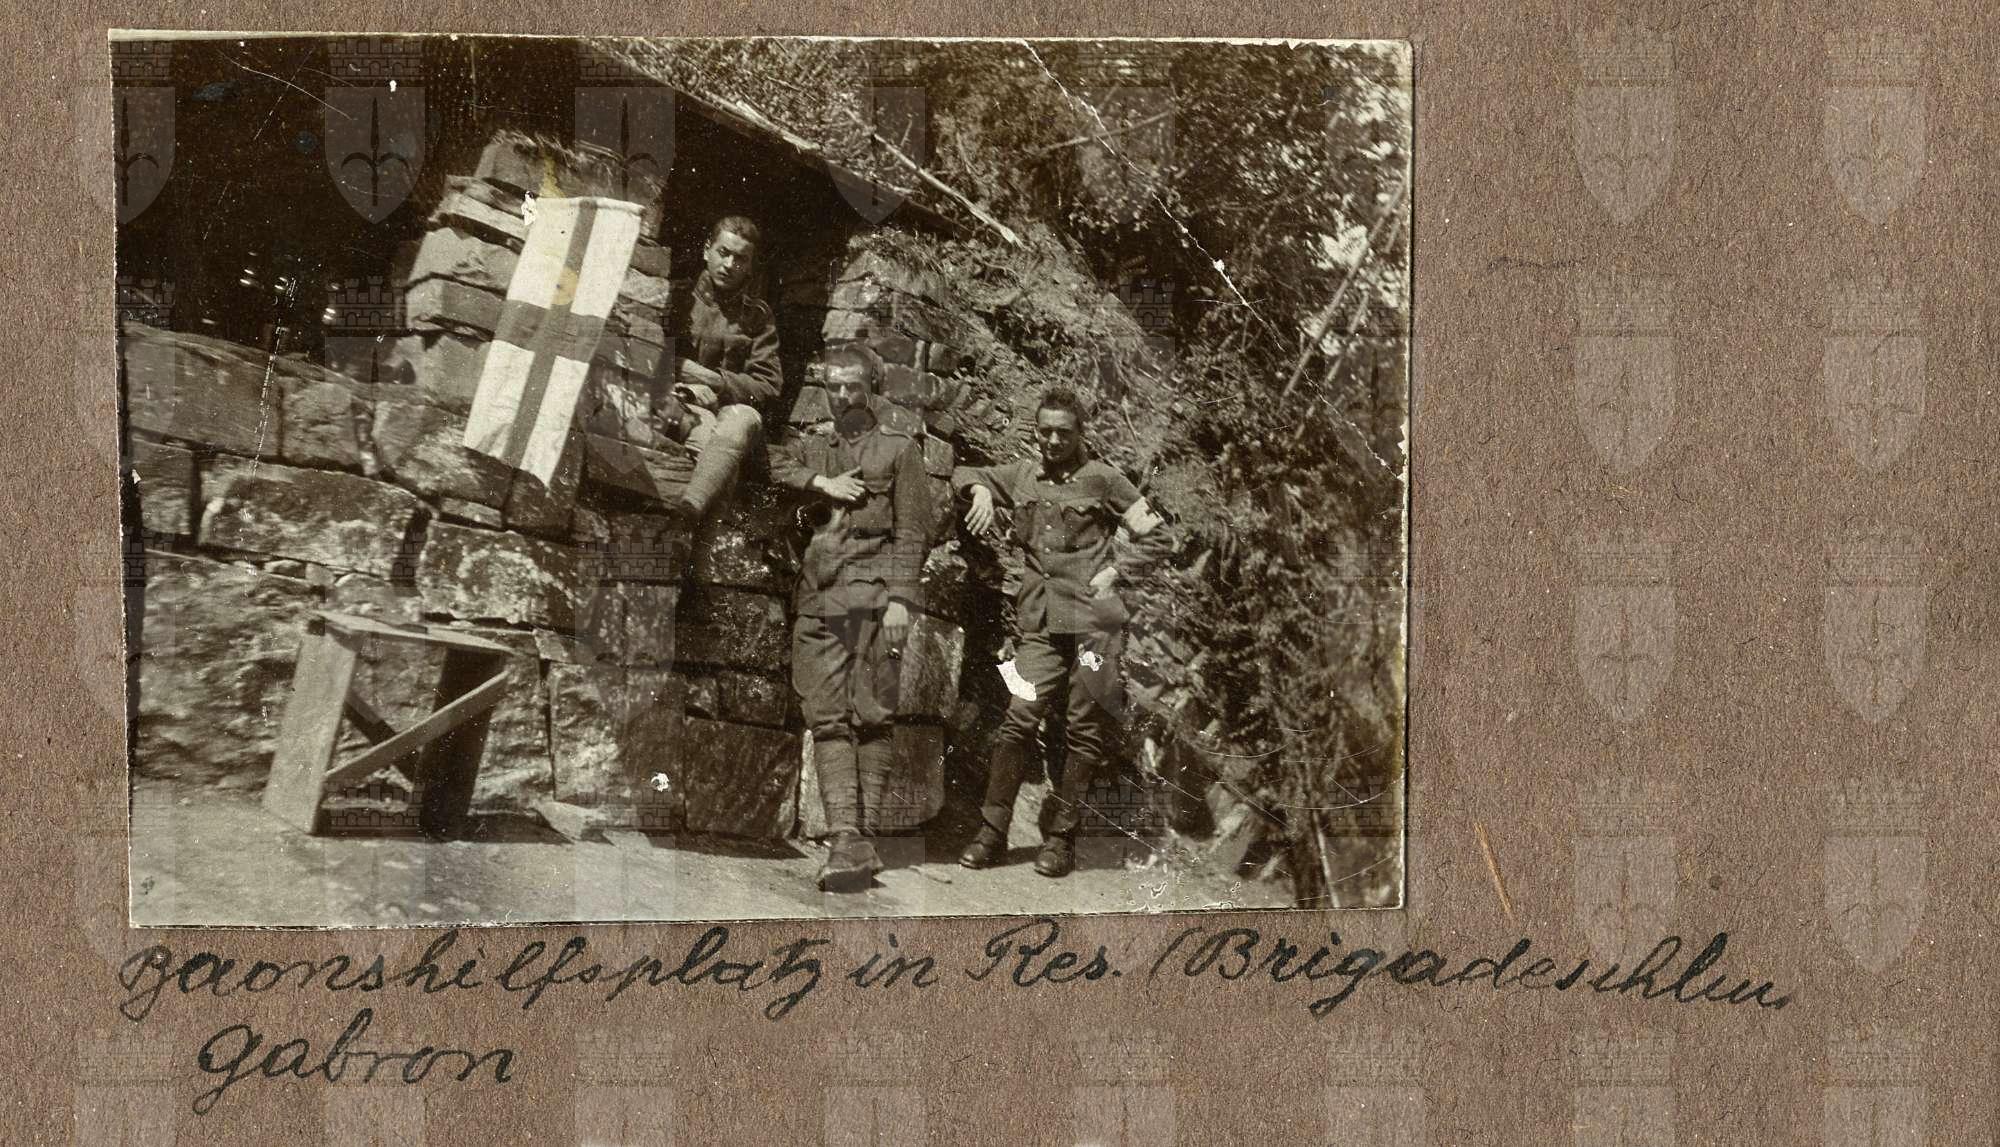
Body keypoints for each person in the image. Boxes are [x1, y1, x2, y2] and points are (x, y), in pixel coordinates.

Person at [952, 387, 1170, 878]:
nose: (1053, 441)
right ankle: (991, 832)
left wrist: (1117, 572)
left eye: (1063, 433)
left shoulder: (1105, 480)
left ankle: (1061, 840)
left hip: (1094, 630)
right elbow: (965, 473)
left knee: (1083, 731)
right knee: (1018, 719)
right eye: (1045, 431)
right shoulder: (1023, 476)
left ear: (1080, 433)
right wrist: (981, 491)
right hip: (1041, 628)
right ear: (1036, 430)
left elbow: (1160, 535)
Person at [771, 346, 931, 892]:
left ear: (873, 388)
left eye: (853, 385)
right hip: (820, 598)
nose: (843, 396)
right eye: (833, 386)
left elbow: (913, 531)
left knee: (873, 715)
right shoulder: (813, 448)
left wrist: (901, 601)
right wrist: (821, 484)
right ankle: (847, 840)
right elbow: (771, 466)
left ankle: (861, 839)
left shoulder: (899, 450)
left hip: (875, 599)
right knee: (826, 715)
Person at [658, 215, 783, 523]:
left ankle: (688, 514)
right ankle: (695, 528)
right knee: (717, 458)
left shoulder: (758, 316)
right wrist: (684, 382)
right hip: (685, 405)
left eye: (741, 259)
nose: (729, 265)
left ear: (750, 266)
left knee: (743, 419)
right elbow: (649, 353)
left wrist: (714, 380)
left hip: (731, 412)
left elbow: (768, 385)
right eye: (723, 253)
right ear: (706, 250)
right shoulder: (676, 296)